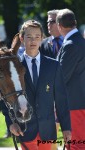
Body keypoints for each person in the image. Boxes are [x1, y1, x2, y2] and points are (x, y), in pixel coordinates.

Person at [1, 20, 71, 150]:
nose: (33, 40)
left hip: (47, 131)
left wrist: (66, 128)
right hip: (25, 130)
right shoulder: (16, 68)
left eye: (37, 37)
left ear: (42, 38)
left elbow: (62, 100)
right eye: (29, 37)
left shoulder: (54, 66)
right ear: (22, 38)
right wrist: (11, 124)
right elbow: (7, 98)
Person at [56, 8, 85, 150]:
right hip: (78, 102)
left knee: (76, 145)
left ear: (59, 26)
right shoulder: (80, 41)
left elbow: (60, 76)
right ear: (75, 23)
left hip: (75, 104)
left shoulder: (71, 45)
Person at [40, 9, 63, 150]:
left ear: (60, 23)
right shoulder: (43, 44)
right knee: (50, 134)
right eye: (47, 21)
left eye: (52, 21)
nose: (48, 24)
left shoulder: (71, 41)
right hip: (50, 95)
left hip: (69, 96)